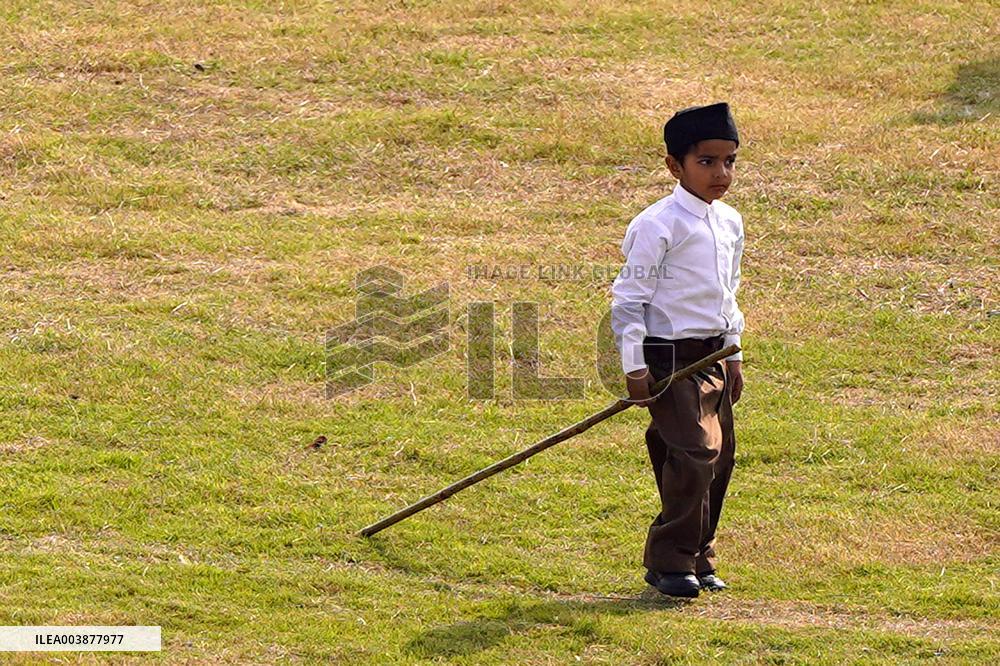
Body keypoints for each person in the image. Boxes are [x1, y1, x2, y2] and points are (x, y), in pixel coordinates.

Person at [610, 102, 746, 598]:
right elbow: (629, 299)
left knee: (720, 456)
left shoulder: (729, 222)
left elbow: (727, 293)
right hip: (666, 356)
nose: (721, 173)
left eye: (729, 161)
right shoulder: (657, 224)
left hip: (712, 357)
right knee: (694, 451)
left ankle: (698, 556)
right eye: (707, 162)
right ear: (675, 165)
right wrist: (635, 366)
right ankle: (669, 560)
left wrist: (732, 354)